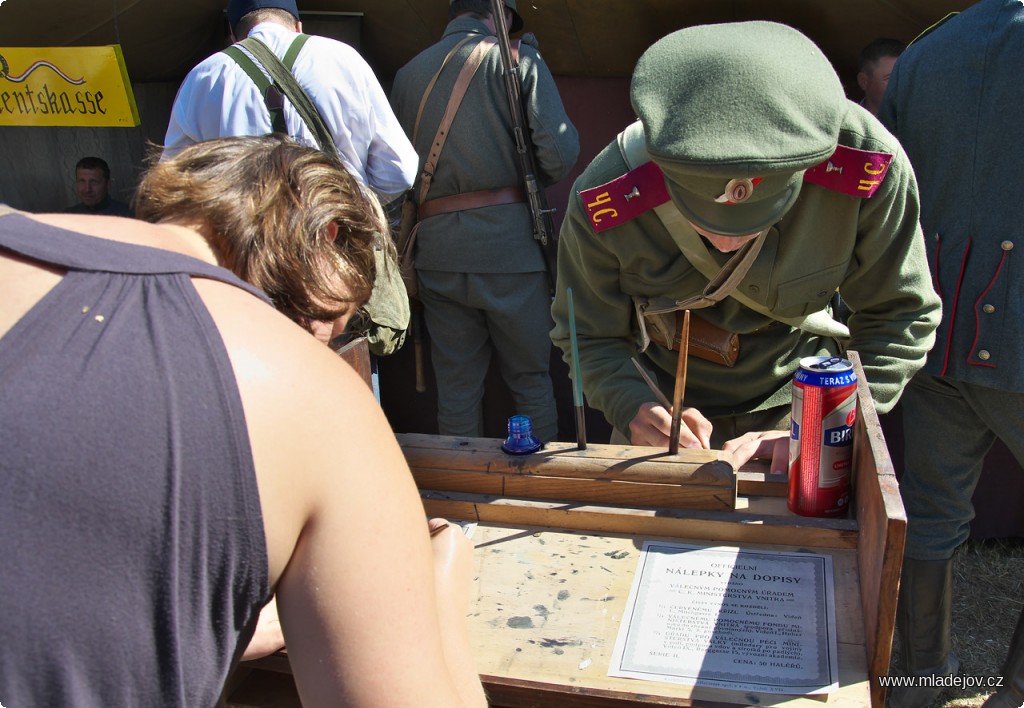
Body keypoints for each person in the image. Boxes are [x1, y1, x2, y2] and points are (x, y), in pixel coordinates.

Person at [0, 136, 486, 708]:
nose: (323, 344)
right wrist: (437, 597)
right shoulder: (305, 387)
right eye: (333, 322)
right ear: (329, 239)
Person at [550, 21, 940, 474]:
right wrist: (633, 407)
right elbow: (588, 337)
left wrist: (823, 422)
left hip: (808, 396)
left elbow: (901, 317)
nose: (728, 240)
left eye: (760, 219)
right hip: (659, 409)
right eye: (701, 218)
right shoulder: (608, 198)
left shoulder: (867, 168)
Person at [878, 3, 1024, 706]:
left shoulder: (932, 49)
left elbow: (890, 181)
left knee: (932, 514)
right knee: (931, 513)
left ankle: (919, 681)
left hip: (933, 323)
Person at [163, 0, 419, 357]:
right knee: (348, 372)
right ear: (297, 24)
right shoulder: (342, 59)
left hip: (250, 265)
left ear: (233, 33)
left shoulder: (205, 77)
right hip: (338, 258)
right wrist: (347, 201)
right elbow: (401, 170)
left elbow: (174, 189)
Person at [389, 0, 579, 443]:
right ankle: (538, 496)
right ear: (505, 16)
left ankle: (461, 495)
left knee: (456, 390)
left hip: (437, 254)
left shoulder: (407, 75)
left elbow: (395, 172)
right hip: (510, 251)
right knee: (531, 381)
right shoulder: (516, 59)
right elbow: (559, 151)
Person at [63, 156, 133, 217]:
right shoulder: (68, 216)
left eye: (93, 182)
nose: (87, 189)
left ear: (108, 184)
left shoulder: (127, 216)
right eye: (82, 181)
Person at [856, 37, 906, 116]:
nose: (901, 86)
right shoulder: (845, 123)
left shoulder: (921, 122)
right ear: (863, 82)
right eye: (890, 79)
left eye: (906, 78)